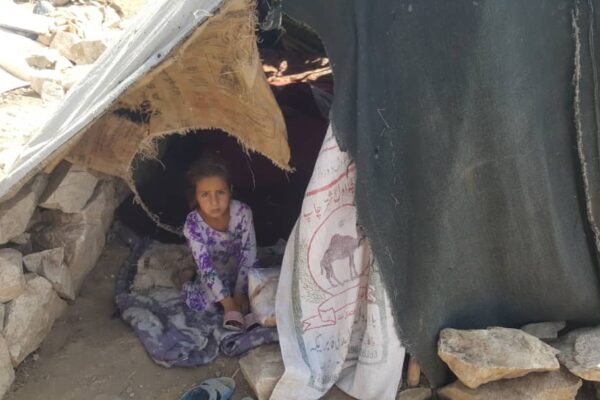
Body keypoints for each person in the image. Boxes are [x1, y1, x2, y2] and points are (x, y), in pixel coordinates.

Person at [180, 154, 257, 331]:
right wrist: (228, 303)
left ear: (230, 190)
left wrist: (240, 292)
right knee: (203, 305)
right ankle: (185, 279)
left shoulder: (243, 212)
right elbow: (205, 267)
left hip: (242, 271)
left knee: (263, 294)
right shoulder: (193, 223)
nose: (214, 202)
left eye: (220, 192)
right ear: (196, 197)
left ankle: (243, 298)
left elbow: (249, 252)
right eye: (205, 195)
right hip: (213, 275)